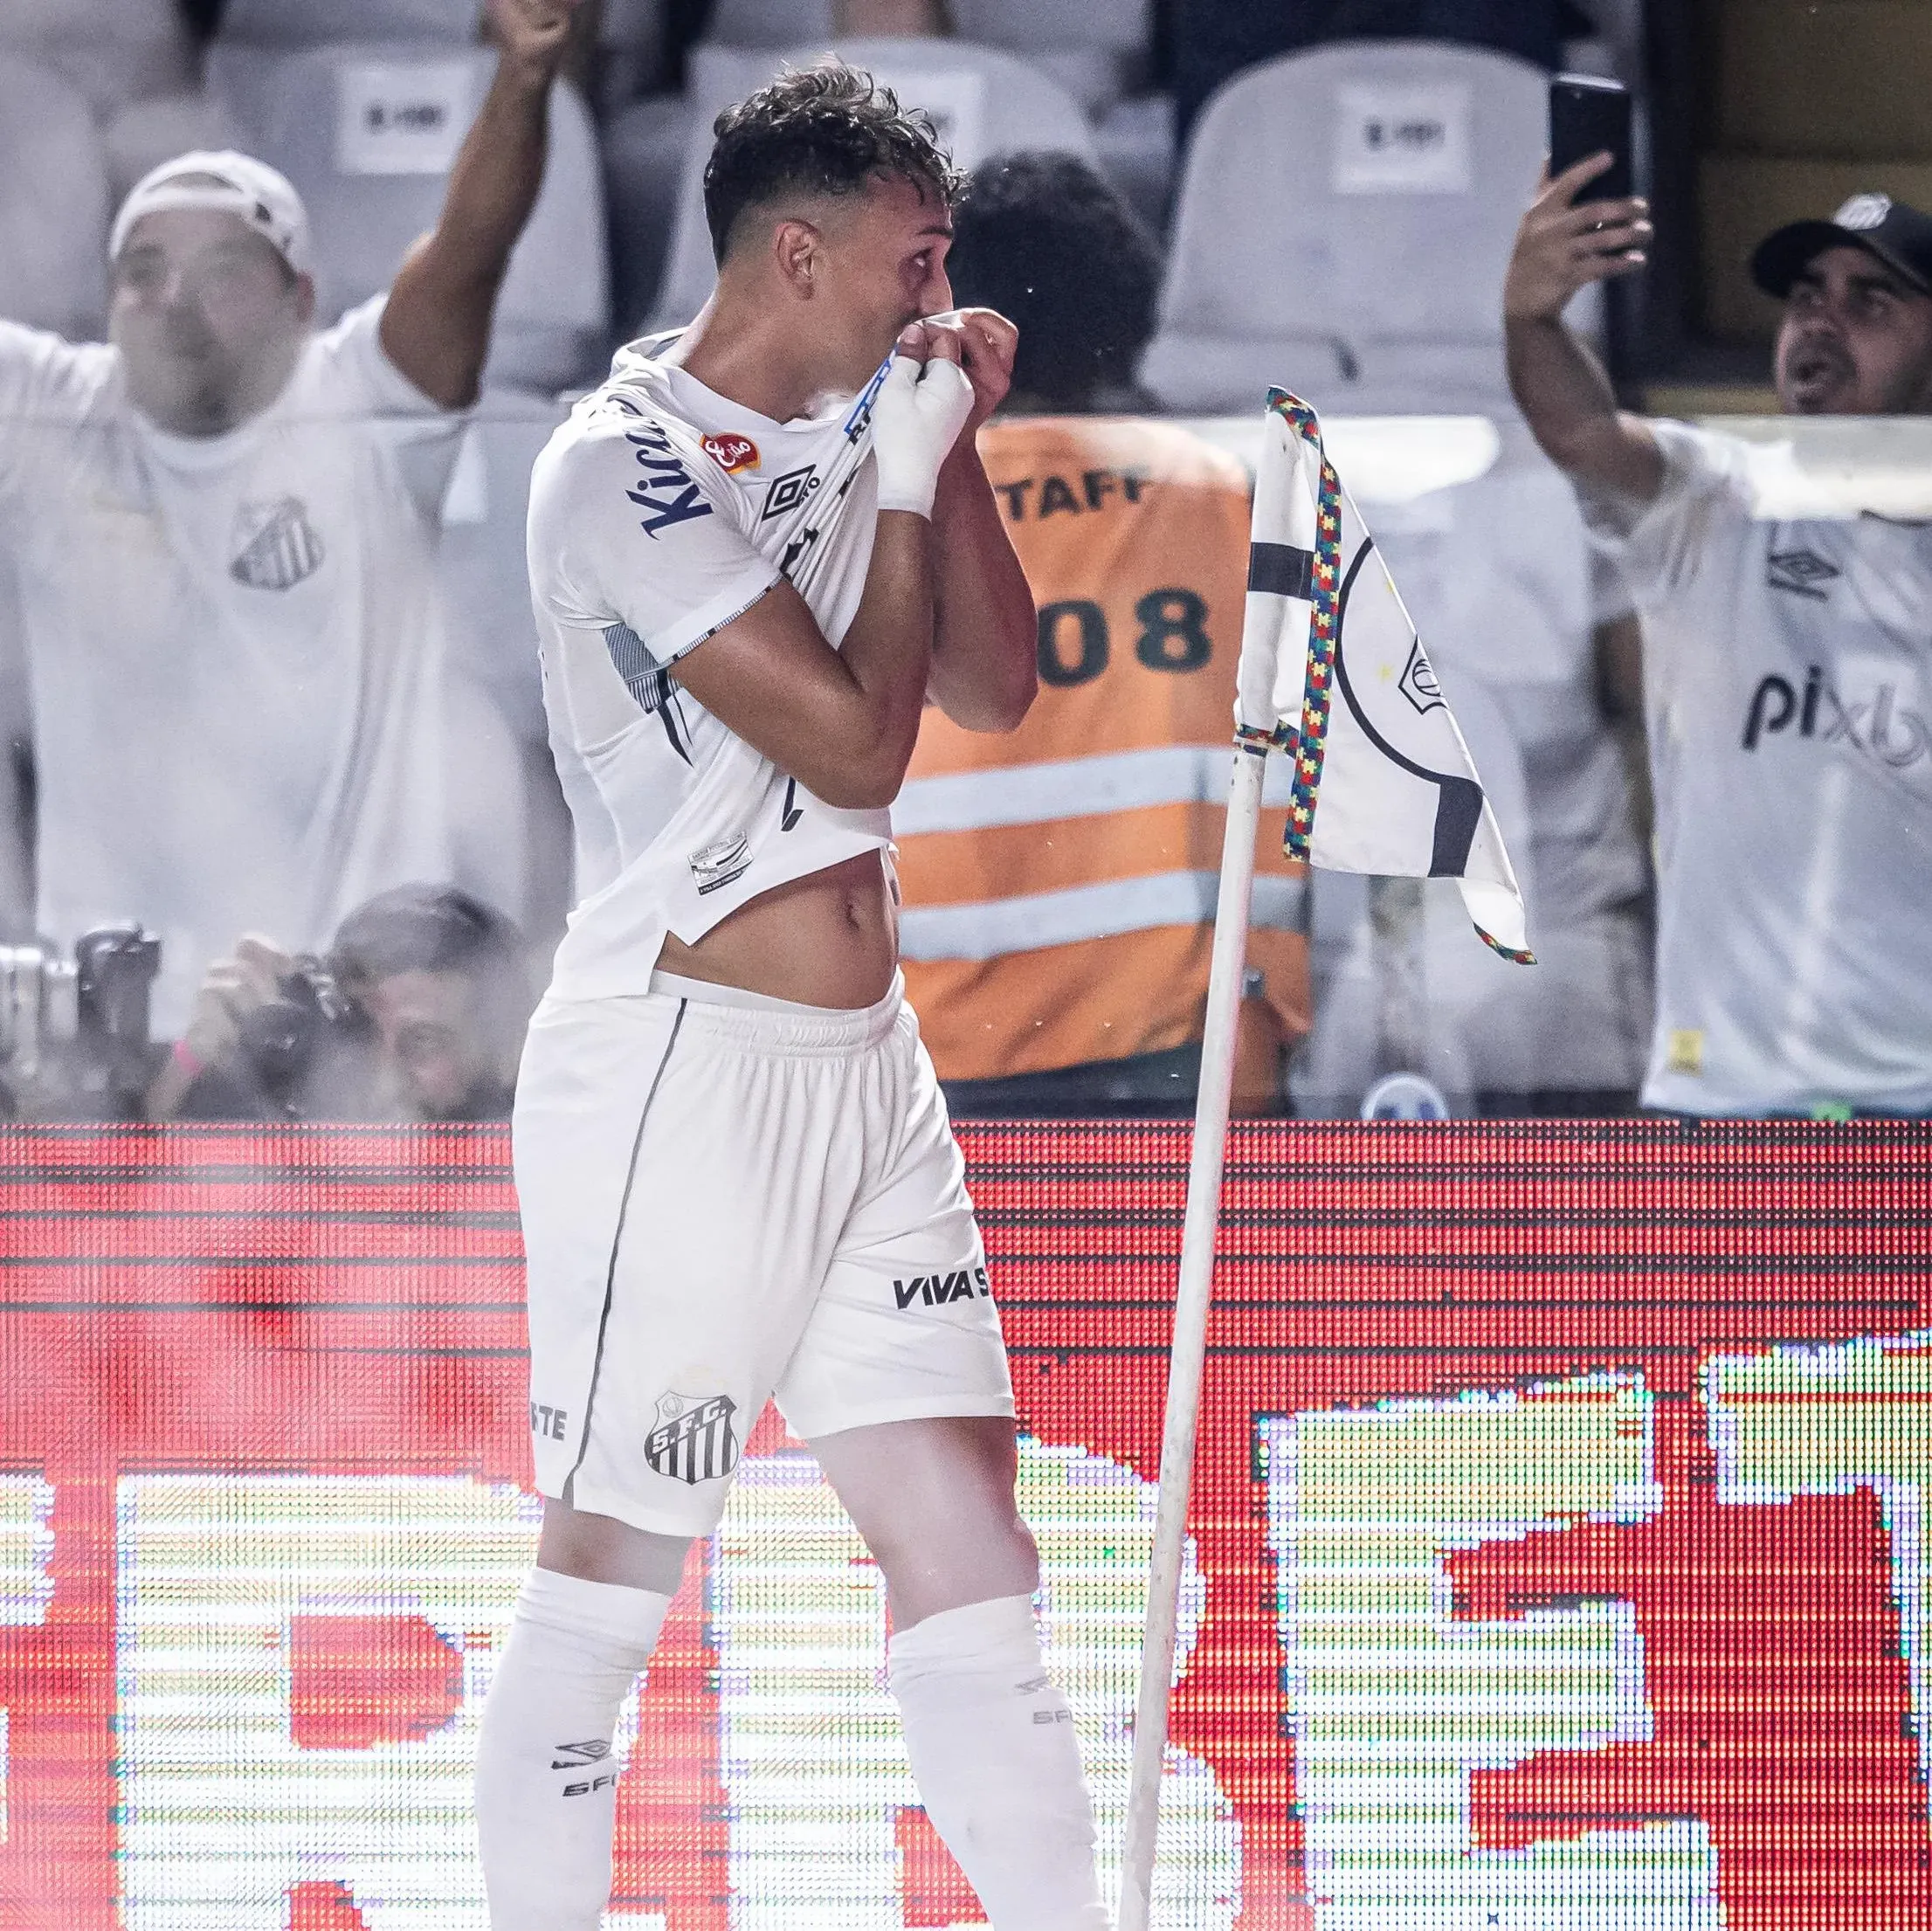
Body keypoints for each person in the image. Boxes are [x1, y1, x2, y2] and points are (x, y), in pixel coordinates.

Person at [479, 64, 1108, 1931]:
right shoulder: (614, 462)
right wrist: (897, 471)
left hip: (868, 1076)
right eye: (914, 265)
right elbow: (852, 753)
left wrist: (949, 446)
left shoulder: (868, 428)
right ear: (797, 250)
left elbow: (993, 689)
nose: (940, 301)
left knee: (972, 1562)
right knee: (608, 1585)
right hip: (683, 1069)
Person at [0, 0, 583, 1038]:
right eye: (144, 271)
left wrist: (522, 80)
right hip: (120, 1036)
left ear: (302, 299)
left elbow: (470, 250)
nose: (174, 296)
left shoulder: (358, 401)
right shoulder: (55, 415)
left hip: (350, 1030)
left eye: (223, 270)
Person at [1505, 162, 1932, 1116]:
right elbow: (1577, 429)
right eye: (1804, 299)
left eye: (1871, 303)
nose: (1820, 321)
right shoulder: (1720, 496)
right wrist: (1534, 320)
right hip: (1725, 1105)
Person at [895, 151, 1312, 1116]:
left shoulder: (897, 507)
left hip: (938, 1055)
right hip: (1191, 1052)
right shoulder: (1230, 493)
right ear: (1132, 319)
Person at [145, 883, 532, 1122]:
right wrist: (193, 1061)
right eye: (358, 1031)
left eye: (423, 1041)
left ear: (504, 1060)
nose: (381, 1078)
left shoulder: (537, 1185)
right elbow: (143, 1198)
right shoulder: (295, 1125)